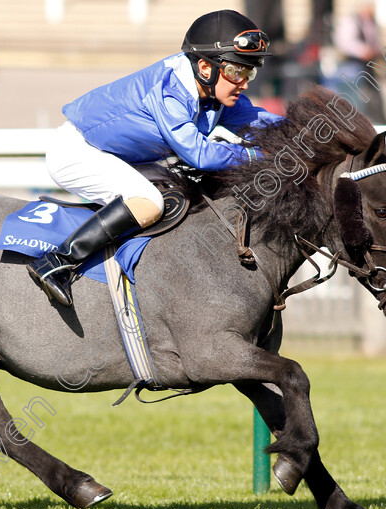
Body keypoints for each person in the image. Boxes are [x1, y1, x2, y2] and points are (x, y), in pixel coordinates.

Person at [27, 10, 281, 307]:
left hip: (113, 154)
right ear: (204, 66)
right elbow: (201, 155)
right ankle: (57, 262)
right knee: (150, 201)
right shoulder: (169, 91)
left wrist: (313, 129)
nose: (245, 83)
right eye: (237, 72)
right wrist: (253, 155)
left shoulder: (213, 93)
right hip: (76, 151)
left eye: (250, 72)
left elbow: (264, 120)